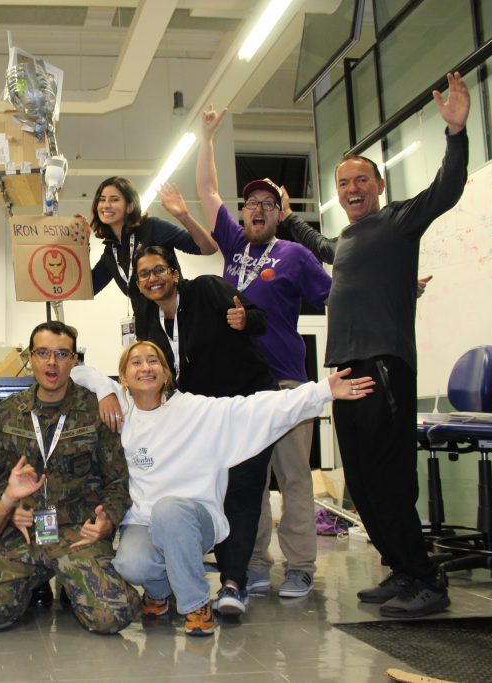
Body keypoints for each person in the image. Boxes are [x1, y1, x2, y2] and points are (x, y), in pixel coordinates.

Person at [280, 72, 470, 618]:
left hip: (383, 366)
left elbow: (446, 189)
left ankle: (426, 579)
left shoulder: (398, 221)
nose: (351, 189)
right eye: (343, 183)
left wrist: (455, 134)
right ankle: (402, 569)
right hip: (346, 372)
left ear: (379, 185)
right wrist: (288, 215)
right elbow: (319, 244)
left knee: (388, 480)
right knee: (361, 483)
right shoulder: (346, 239)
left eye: (361, 179)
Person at [71, 341, 373, 635]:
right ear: (123, 377)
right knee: (130, 565)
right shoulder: (122, 411)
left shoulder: (196, 411)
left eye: (153, 361)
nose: (145, 367)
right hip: (143, 522)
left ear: (166, 374)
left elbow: (259, 408)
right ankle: (158, 591)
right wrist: (105, 390)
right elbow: (78, 372)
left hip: (192, 521)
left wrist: (322, 390)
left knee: (169, 510)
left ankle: (196, 605)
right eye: (135, 363)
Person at [195, 107, 333, 599]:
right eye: (251, 202)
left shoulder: (296, 255)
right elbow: (208, 190)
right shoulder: (234, 248)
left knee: (294, 478)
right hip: (242, 390)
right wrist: (207, 137)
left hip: (287, 382)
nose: (257, 208)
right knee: (248, 481)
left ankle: (300, 566)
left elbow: (335, 295)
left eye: (267, 204)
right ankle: (253, 562)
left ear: (279, 214)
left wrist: (394, 286)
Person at [127, 244, 276, 618]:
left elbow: (260, 318)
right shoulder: (148, 317)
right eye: (144, 274)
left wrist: (245, 320)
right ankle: (185, 576)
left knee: (241, 489)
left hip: (244, 408)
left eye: (159, 270)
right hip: (201, 420)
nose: (152, 279)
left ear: (174, 273)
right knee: (210, 491)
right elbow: (160, 370)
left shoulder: (208, 289)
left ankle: (234, 583)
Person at [0, 321, 140, 634]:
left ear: (74, 360)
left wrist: (108, 521)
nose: (52, 363)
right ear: (30, 358)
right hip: (27, 531)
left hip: (77, 531)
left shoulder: (95, 410)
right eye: (43, 353)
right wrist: (11, 510)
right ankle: (37, 582)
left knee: (113, 616)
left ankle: (69, 581)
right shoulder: (10, 411)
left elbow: (116, 484)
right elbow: (5, 479)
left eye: (62, 354)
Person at [86, 177, 218, 298]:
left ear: (130, 207)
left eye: (114, 199)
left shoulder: (152, 227)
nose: (106, 205)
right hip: (145, 317)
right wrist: (81, 246)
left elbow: (208, 248)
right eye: (102, 199)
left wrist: (184, 216)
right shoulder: (111, 251)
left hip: (179, 313)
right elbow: (87, 290)